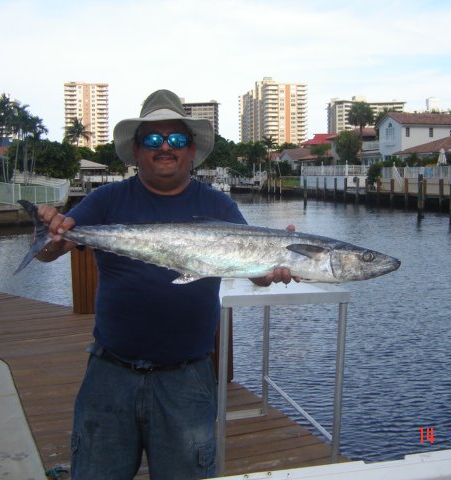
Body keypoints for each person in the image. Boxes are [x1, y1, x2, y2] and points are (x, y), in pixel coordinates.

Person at [35, 89, 295, 479]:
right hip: (110, 373)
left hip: (187, 377)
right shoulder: (106, 199)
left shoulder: (219, 206)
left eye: (176, 139)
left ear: (192, 150)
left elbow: (253, 270)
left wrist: (274, 264)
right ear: (137, 151)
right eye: (153, 140)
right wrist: (49, 233)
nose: (165, 148)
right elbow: (52, 249)